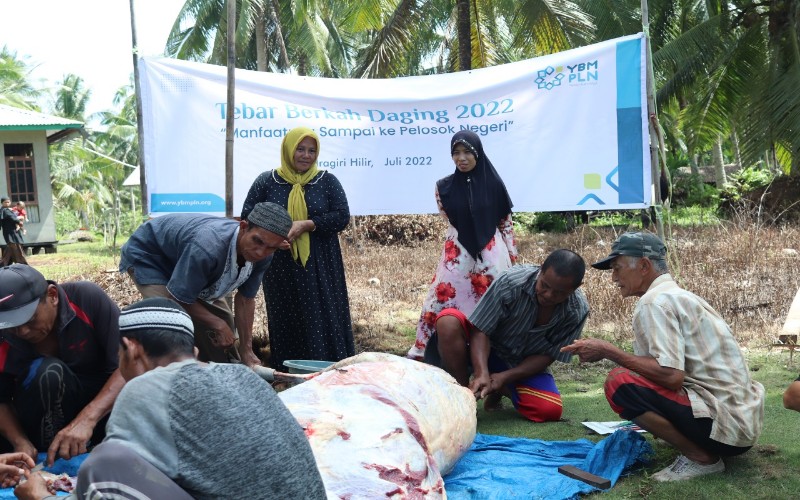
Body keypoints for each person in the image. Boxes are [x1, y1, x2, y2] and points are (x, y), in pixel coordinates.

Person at [14, 297, 328, 500]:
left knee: (103, 466)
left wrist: (42, 497)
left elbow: (112, 487)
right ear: (191, 352)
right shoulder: (244, 376)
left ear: (131, 347)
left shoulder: (145, 388)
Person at [562, 231, 765, 482]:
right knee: (636, 376)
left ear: (644, 266)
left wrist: (608, 351)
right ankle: (696, 444)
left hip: (725, 428)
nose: (614, 278)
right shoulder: (679, 296)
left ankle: (702, 459)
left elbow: (671, 377)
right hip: (740, 428)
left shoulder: (654, 302)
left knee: (620, 382)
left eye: (618, 268)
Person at [119, 202, 293, 367]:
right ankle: (167, 376)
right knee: (169, 320)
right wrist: (216, 324)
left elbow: (246, 300)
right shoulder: (208, 247)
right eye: (257, 241)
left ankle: (222, 375)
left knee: (224, 323)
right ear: (243, 227)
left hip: (187, 259)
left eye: (271, 247)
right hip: (151, 255)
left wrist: (246, 350)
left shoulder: (265, 255)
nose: (260, 252)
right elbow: (177, 297)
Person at [425, 249, 588, 422]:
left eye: (559, 293)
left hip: (519, 364)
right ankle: (462, 395)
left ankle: (497, 387)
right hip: (483, 349)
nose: (549, 295)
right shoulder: (511, 281)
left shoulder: (577, 311)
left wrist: (504, 377)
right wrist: (481, 372)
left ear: (576, 288)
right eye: (544, 285)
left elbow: (548, 355)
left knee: (548, 410)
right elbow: (481, 329)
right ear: (540, 270)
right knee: (448, 321)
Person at [241, 126, 354, 370]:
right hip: (278, 261)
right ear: (288, 149)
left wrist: (308, 224)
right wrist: (271, 238)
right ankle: (288, 371)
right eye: (300, 149)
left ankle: (329, 368)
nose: (306, 155)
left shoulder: (326, 181)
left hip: (320, 262)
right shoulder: (267, 181)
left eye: (311, 150)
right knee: (285, 313)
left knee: (323, 312)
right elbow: (249, 215)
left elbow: (342, 216)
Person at [408, 130, 518, 360]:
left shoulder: (494, 184)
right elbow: (449, 219)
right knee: (443, 299)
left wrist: (513, 263)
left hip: (491, 255)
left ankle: (495, 359)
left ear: (477, 153)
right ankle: (425, 354)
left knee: (493, 306)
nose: (462, 158)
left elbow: (505, 225)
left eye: (467, 151)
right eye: (456, 153)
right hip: (456, 254)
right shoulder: (443, 187)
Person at [0, 264, 124, 466]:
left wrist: (87, 419)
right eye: (13, 325)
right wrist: (19, 441)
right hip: (38, 415)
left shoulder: (87, 299)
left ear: (52, 295)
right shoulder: (3, 331)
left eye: (30, 320)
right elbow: (1, 398)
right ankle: (42, 454)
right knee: (47, 373)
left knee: (50, 371)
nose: (22, 331)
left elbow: (129, 366)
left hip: (98, 406)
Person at [0, 198, 26, 265]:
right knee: (17, 249)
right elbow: (12, 217)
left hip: (10, 233)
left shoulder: (4, 210)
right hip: (11, 233)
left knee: (10, 249)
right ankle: (23, 266)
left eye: (8, 202)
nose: (7, 203)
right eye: (5, 202)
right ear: (2, 203)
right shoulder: (5, 210)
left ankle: (3, 265)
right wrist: (19, 222)